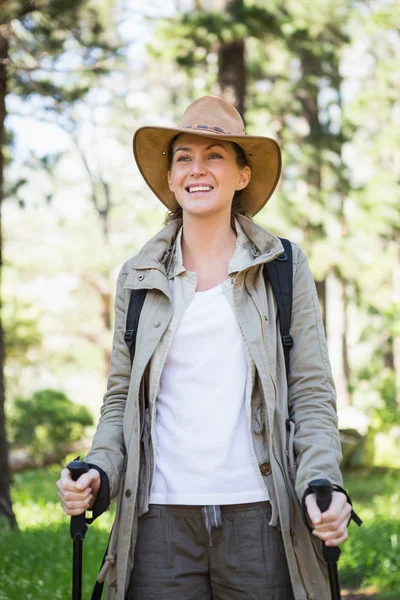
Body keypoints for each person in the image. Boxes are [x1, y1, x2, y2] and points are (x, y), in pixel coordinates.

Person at [57, 95, 357, 600]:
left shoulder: (283, 266)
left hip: (261, 515)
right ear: (172, 180)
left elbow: (310, 391)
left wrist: (321, 481)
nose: (198, 169)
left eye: (215, 155)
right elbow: (120, 396)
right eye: (183, 158)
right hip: (158, 521)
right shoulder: (138, 275)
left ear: (242, 174)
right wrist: (99, 470)